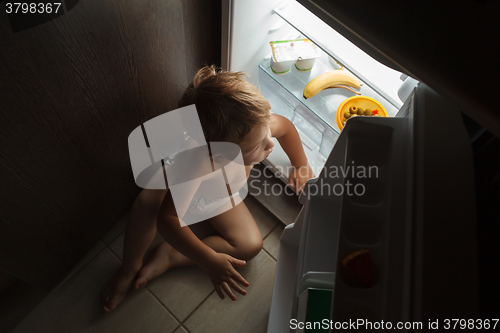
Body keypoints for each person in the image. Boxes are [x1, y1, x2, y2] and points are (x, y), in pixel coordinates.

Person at [100, 65, 315, 312]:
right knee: (146, 206)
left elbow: (285, 127)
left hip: (216, 195)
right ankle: (128, 270)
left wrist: (301, 165)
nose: (270, 144)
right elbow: (167, 219)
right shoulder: (197, 162)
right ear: (222, 156)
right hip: (180, 184)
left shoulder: (255, 125)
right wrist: (208, 259)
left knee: (251, 245)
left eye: (267, 133)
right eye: (258, 145)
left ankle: (171, 256)